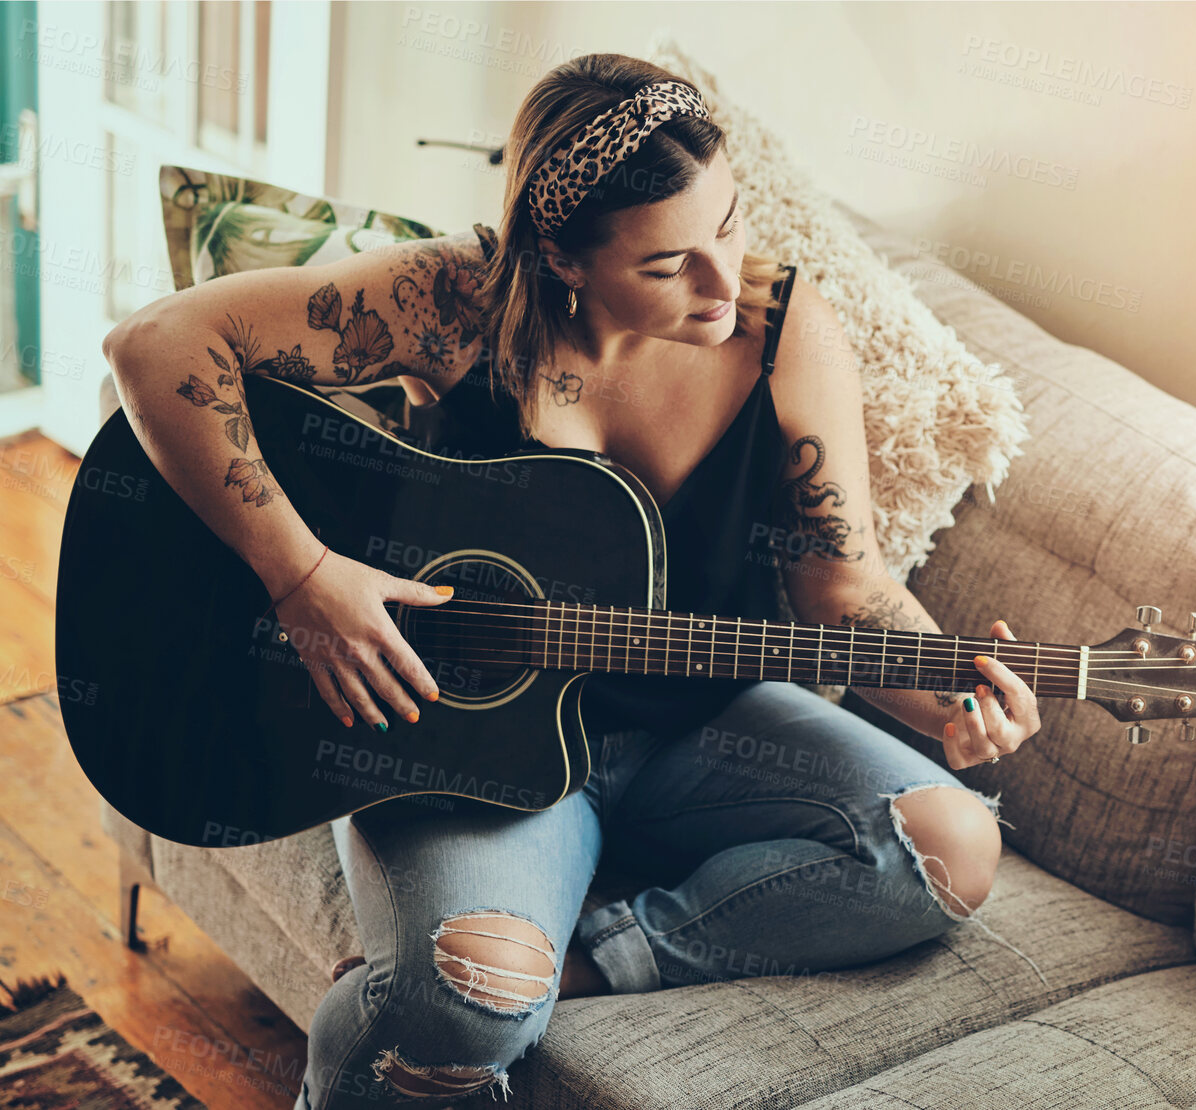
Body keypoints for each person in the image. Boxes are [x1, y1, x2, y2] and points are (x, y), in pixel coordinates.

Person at [102, 53, 1043, 1108]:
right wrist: (303, 577)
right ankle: (407, 1013)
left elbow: (844, 590)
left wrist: (952, 700)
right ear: (559, 256)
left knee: (949, 849)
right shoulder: (452, 301)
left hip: (703, 729)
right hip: (463, 739)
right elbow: (157, 345)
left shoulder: (785, 334)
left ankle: (580, 959)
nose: (721, 286)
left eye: (728, 226)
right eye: (666, 264)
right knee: (471, 1006)